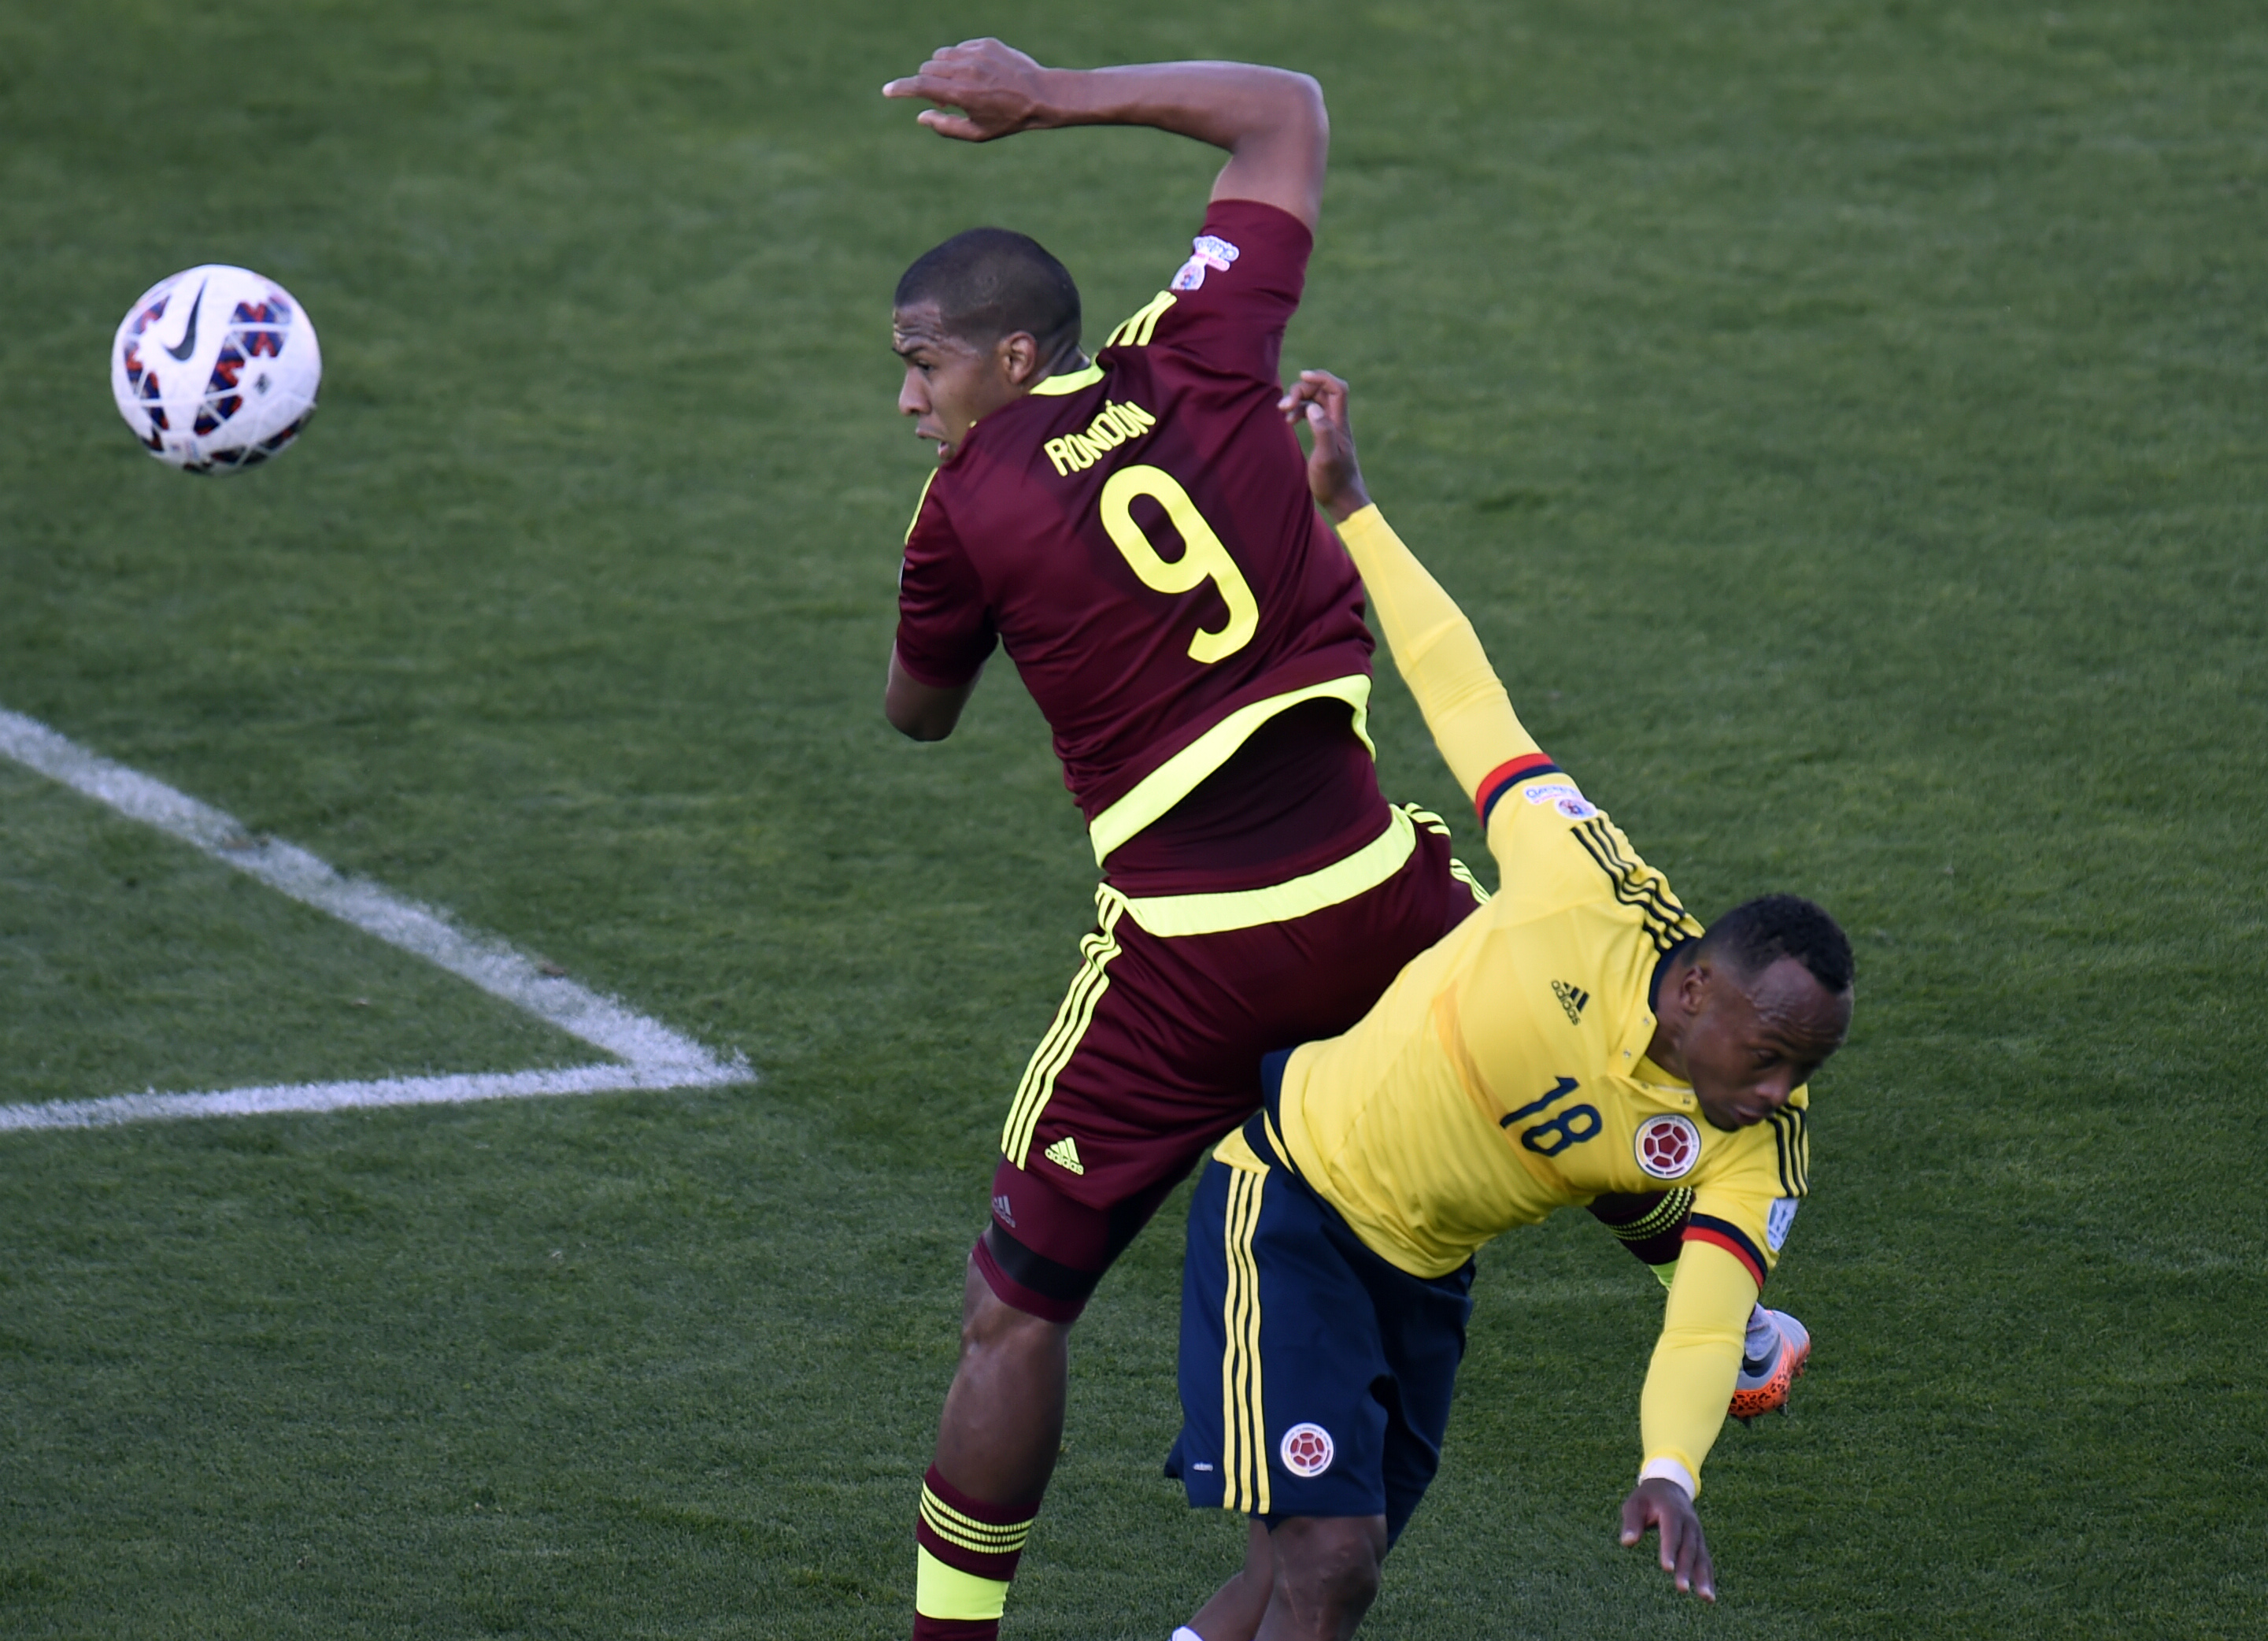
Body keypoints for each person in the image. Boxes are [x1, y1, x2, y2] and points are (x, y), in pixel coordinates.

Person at [876, 43, 1489, 1641]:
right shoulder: (1203, 349)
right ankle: (1710, 1269)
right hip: (1386, 905)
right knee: (1564, 1023)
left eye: (924, 367)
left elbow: (916, 714)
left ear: (1010, 359)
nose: (906, 400)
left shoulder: (958, 515)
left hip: (1193, 969)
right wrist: (1047, 98)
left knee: (1011, 1311)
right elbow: (1287, 103)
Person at [1162, 372, 1852, 1640]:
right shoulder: (1578, 885)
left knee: (1299, 1580)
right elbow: (1467, 698)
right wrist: (1351, 510)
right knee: (1326, 1568)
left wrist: (1668, 1470)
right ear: (1694, 988)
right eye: (1765, 1059)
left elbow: (1708, 1321)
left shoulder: (1754, 1141)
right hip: (1293, 1202)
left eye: (1798, 1074)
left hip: (1422, 1281)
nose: (1774, 1095)